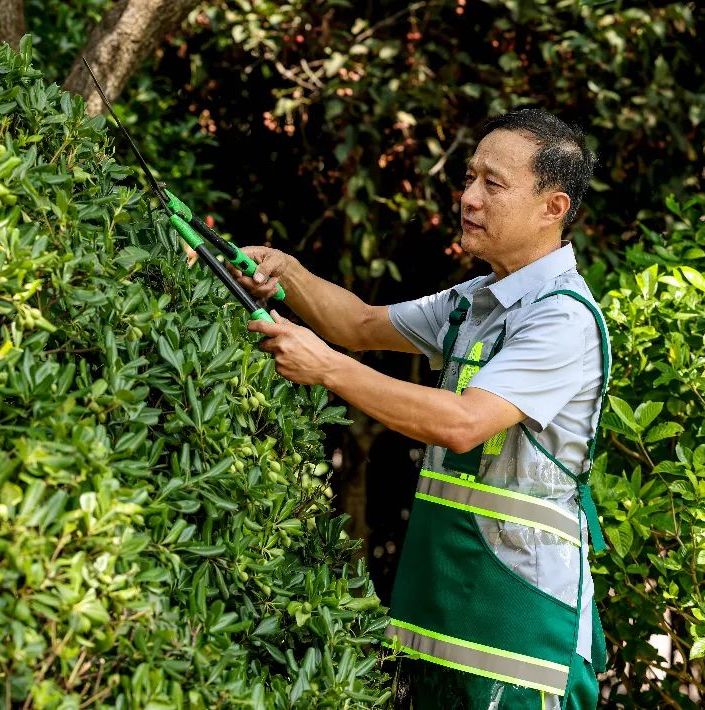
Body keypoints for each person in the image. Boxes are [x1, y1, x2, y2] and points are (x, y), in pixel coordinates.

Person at [228, 109, 608, 709]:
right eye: (469, 178)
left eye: (493, 184)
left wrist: (326, 368)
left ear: (552, 207)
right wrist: (288, 272)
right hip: (439, 619)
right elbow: (358, 323)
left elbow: (462, 423)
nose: (469, 198)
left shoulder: (561, 317)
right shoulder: (478, 300)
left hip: (520, 636)